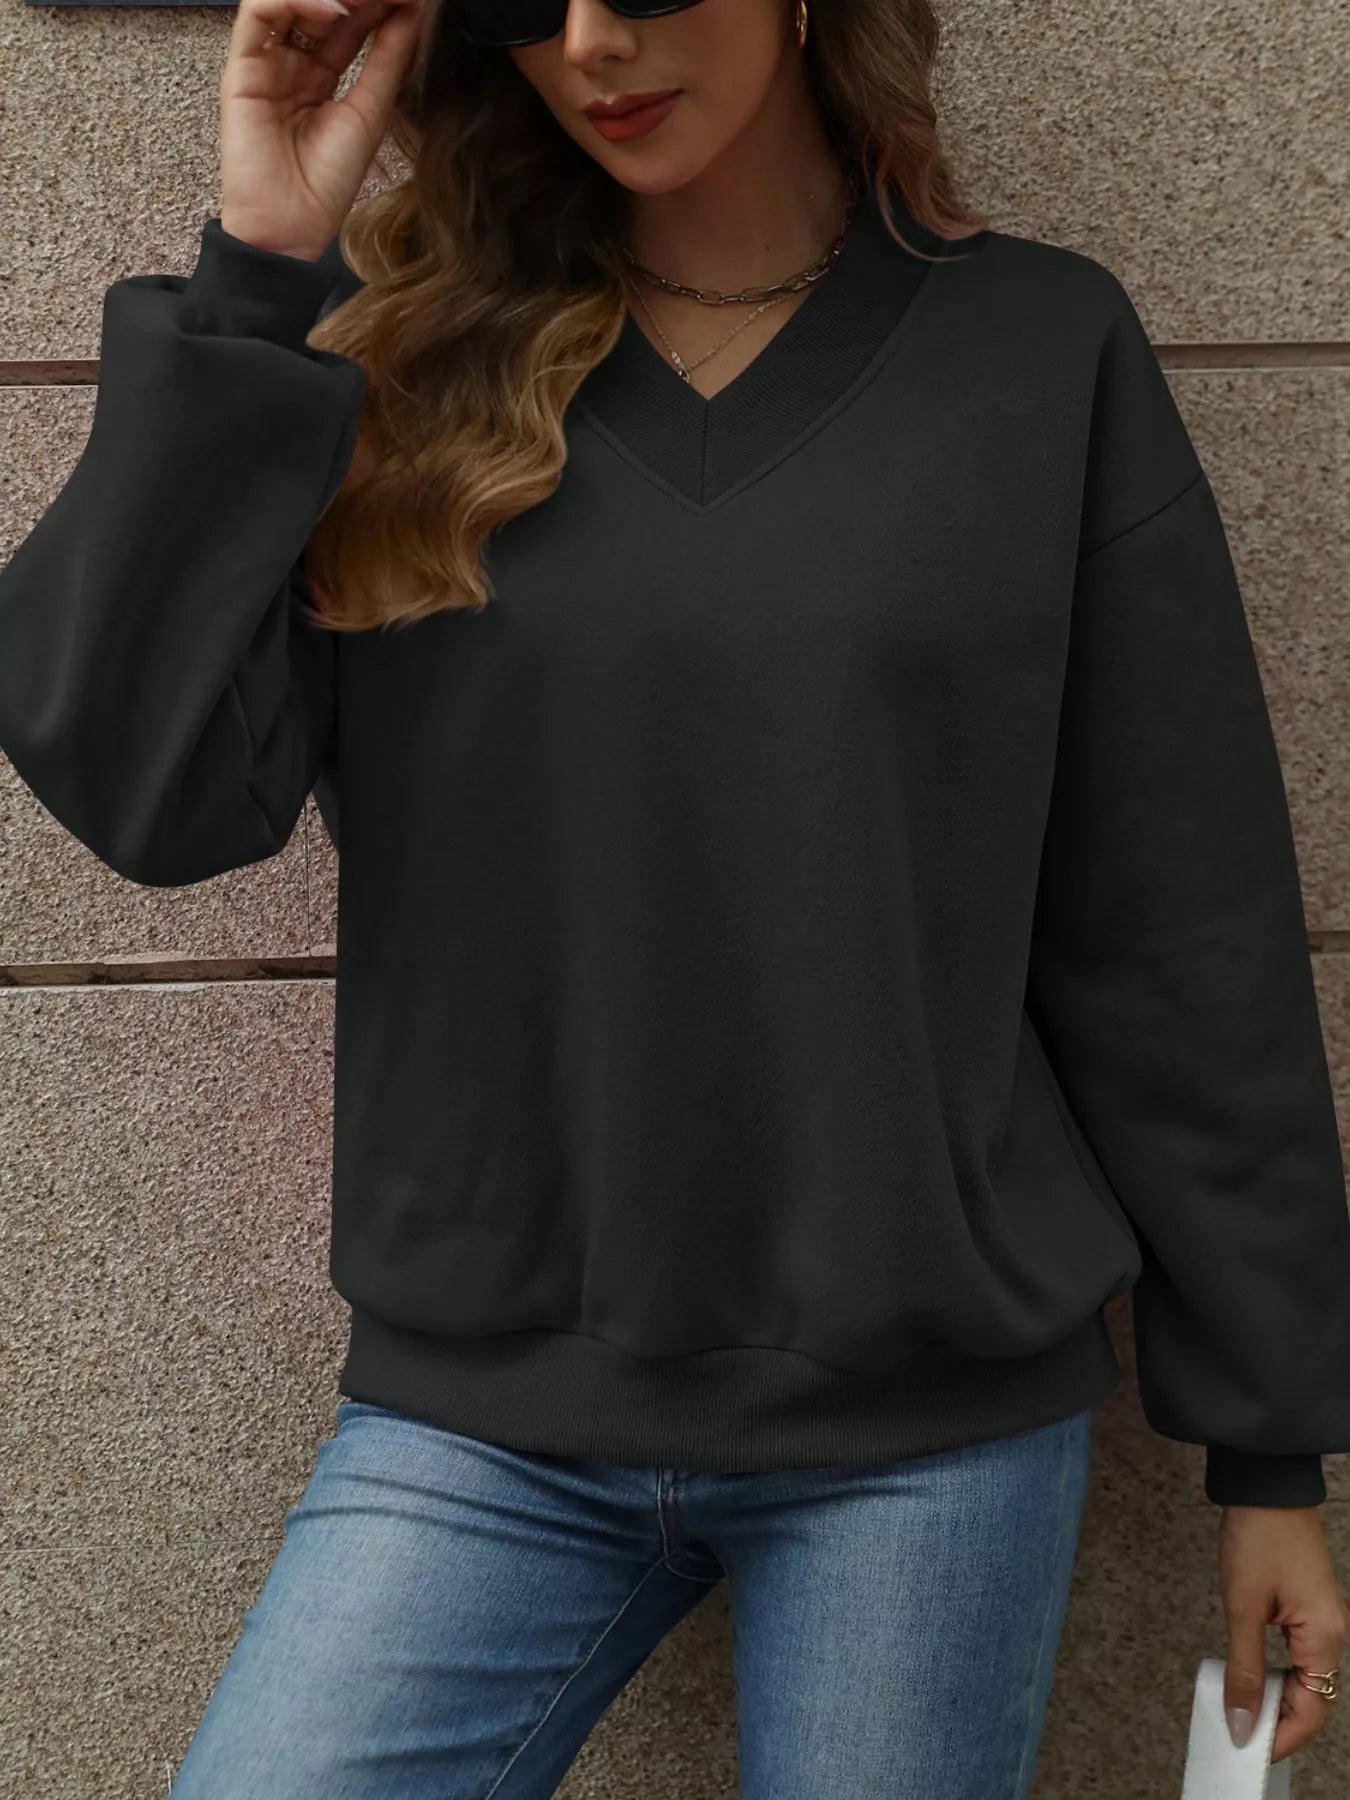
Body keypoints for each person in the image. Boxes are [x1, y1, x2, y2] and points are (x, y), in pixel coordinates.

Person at [0, 0, 1346, 1789]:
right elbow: (145, 790)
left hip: (923, 1440)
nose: (591, 45)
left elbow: (1177, 928)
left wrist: (1269, 1456)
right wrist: (256, 275)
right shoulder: (390, 362)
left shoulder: (1036, 348)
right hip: (479, 1426)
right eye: (524, 1)